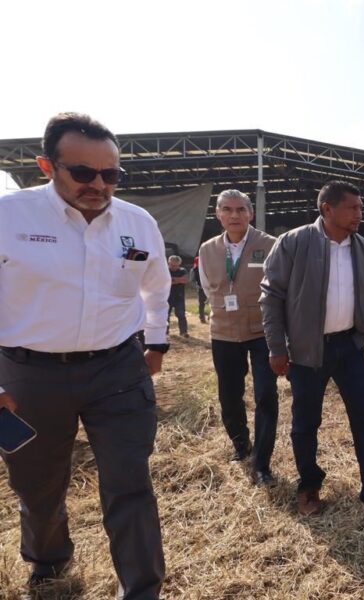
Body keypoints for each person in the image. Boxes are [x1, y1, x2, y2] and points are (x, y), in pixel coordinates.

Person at [0, 112, 170, 598]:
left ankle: (141, 589)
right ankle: (48, 560)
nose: (99, 185)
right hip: (28, 375)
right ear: (46, 166)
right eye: (83, 172)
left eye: (111, 174)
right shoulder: (9, 217)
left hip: (117, 371)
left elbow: (156, 288)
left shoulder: (137, 223)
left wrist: (156, 341)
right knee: (37, 483)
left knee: (130, 483)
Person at [260, 180, 364, 518]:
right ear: (327, 209)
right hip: (307, 350)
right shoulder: (294, 242)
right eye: (352, 207)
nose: (359, 214)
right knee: (306, 421)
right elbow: (271, 296)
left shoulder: (361, 247)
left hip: (350, 346)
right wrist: (276, 347)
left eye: (360, 207)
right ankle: (309, 486)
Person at [198, 189, 279, 484]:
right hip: (224, 332)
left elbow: (280, 286)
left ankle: (261, 462)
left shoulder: (270, 245)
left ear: (251, 213)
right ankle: (240, 444)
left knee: (265, 395)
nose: (234, 215)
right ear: (218, 214)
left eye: (241, 209)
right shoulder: (207, 249)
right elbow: (207, 287)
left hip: (261, 331)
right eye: (227, 209)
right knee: (229, 395)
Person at [167, 255, 189, 337]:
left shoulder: (182, 270)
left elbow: (185, 280)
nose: (173, 267)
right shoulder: (165, 270)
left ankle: (183, 332)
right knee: (165, 315)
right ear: (168, 263)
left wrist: (172, 279)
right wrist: (179, 280)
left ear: (179, 264)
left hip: (179, 297)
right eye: (172, 265)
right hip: (167, 297)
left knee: (181, 314)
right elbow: (165, 281)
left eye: (176, 265)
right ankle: (165, 332)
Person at [191, 255, 209, 323]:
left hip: (210, 288)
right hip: (201, 288)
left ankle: (210, 316)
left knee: (212, 302)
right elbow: (192, 280)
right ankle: (202, 317)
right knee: (201, 303)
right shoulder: (194, 270)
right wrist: (197, 286)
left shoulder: (208, 268)